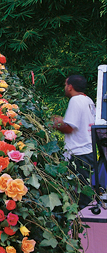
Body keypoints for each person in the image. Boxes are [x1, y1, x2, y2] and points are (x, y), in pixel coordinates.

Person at [52, 74, 96, 207]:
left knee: (80, 194)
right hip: (88, 151)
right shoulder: (88, 100)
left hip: (78, 154)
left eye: (66, 85)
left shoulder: (76, 101)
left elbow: (70, 128)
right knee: (84, 189)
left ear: (70, 87)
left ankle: (77, 221)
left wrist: (56, 123)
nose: (65, 87)